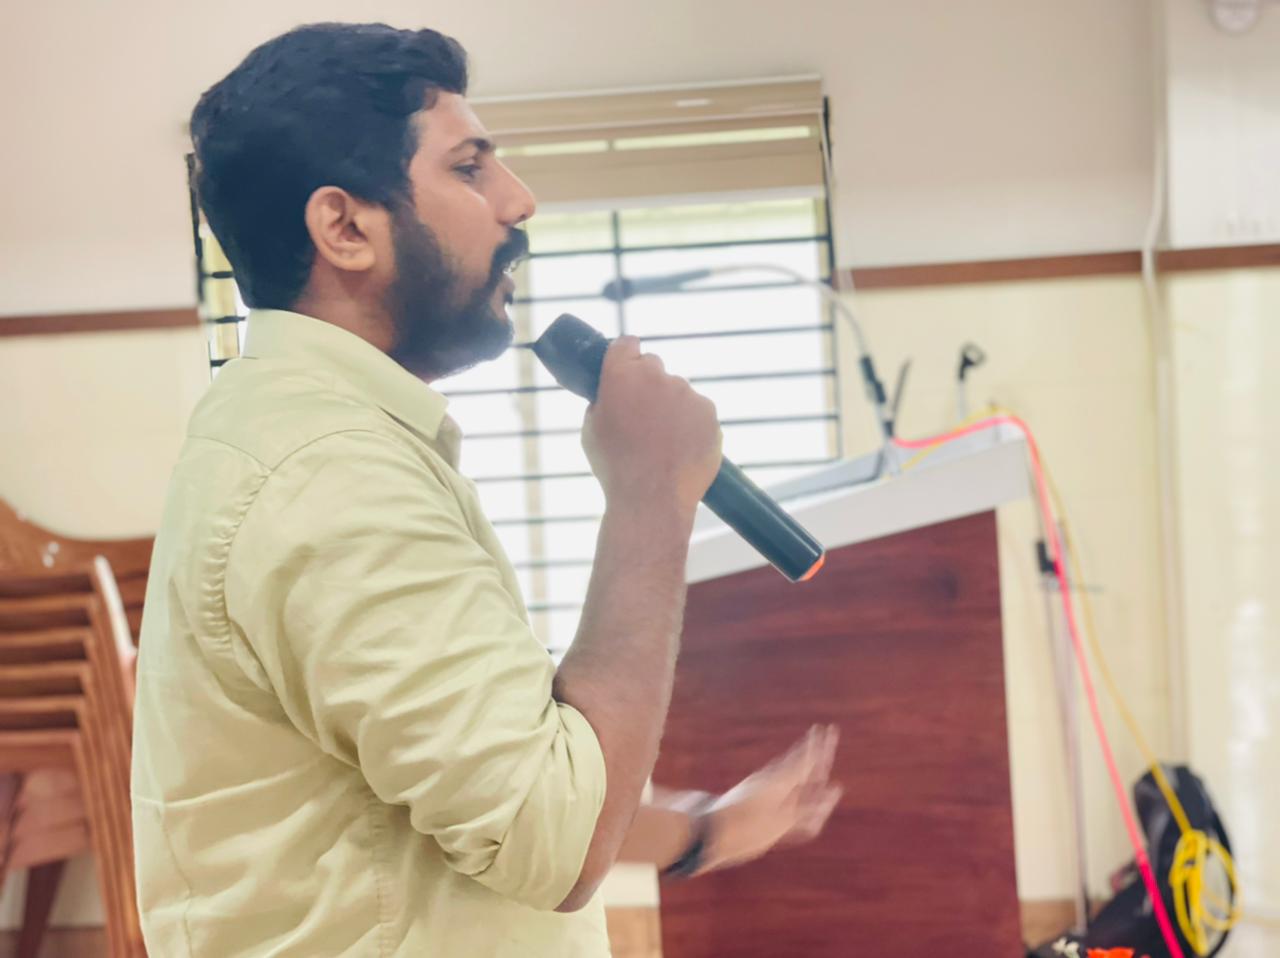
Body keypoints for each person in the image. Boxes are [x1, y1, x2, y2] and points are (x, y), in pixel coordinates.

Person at [132, 21, 841, 957]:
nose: (519, 199)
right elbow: (554, 843)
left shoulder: (311, 436)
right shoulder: (332, 475)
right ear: (345, 228)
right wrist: (650, 494)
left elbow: (481, 773)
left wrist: (704, 831)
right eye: (470, 168)